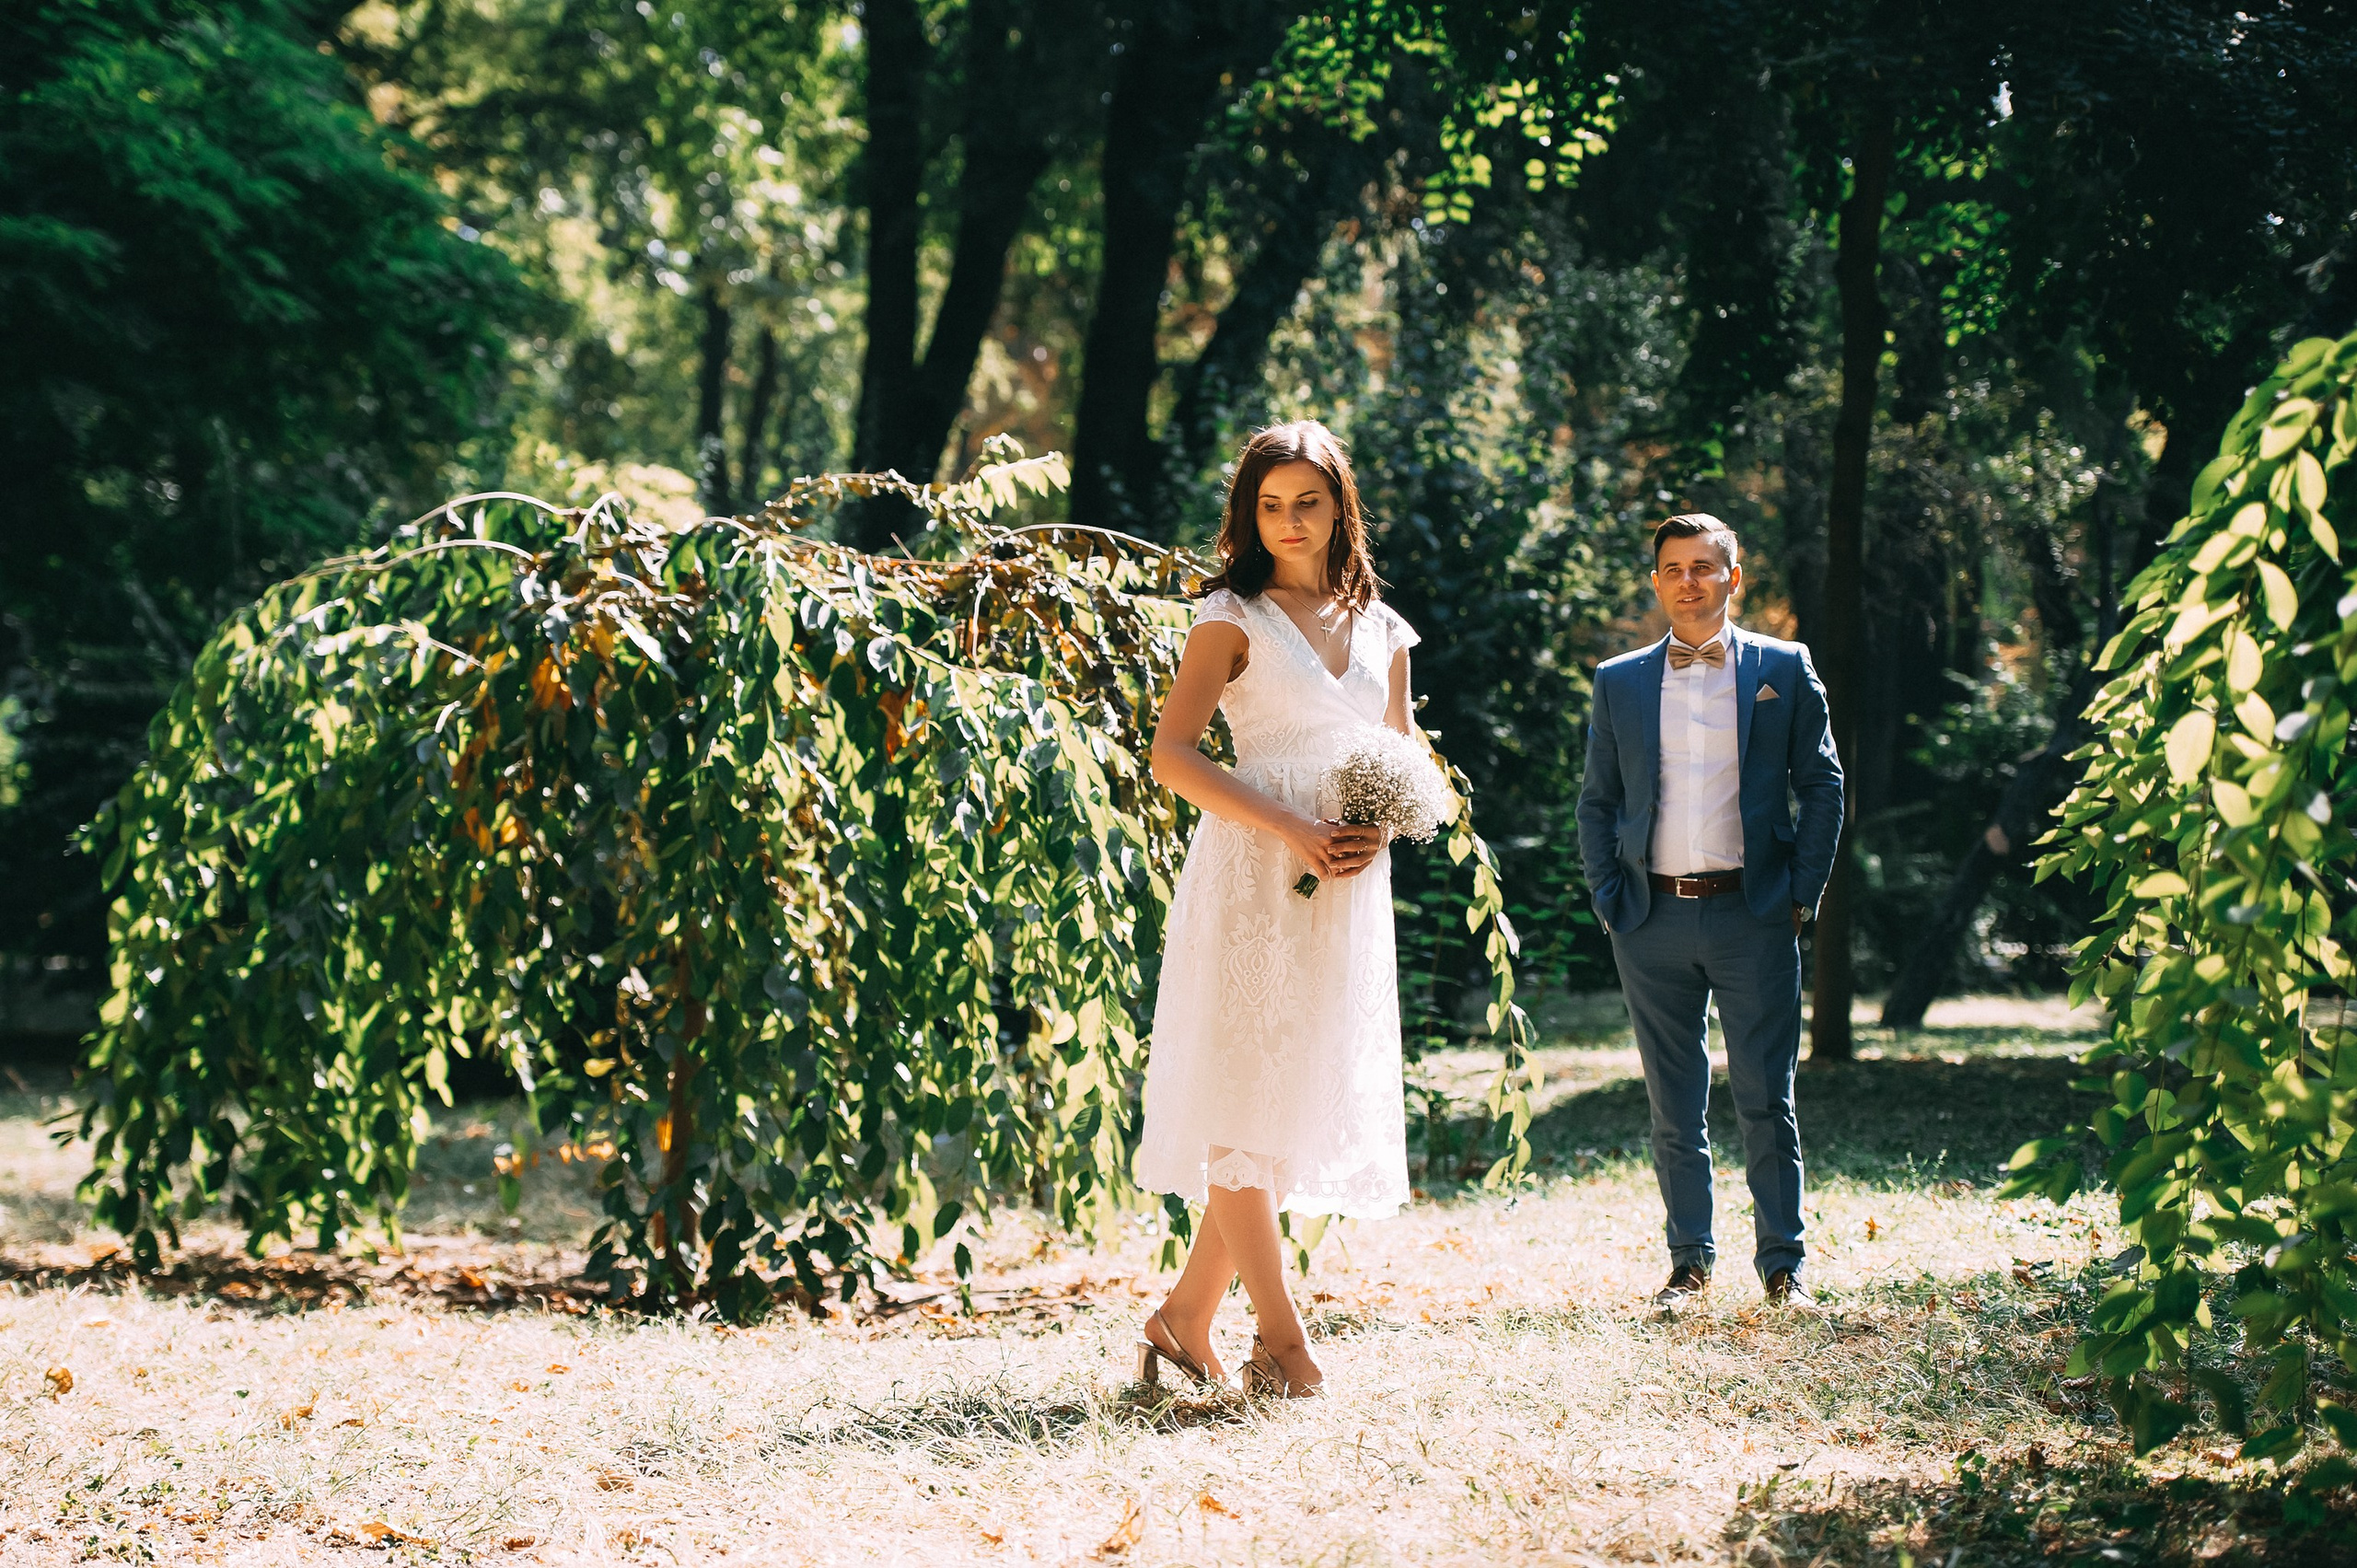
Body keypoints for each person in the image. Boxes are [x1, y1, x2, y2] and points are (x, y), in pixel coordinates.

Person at [1132, 420, 1423, 1398]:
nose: (1289, 522)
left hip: (1344, 887)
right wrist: (1294, 827)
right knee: (1243, 1102)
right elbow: (1173, 755)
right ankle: (1282, 1342)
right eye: (1269, 504)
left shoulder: (1384, 630)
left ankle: (1181, 1317)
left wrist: (1378, 826)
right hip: (1254, 872)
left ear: (1340, 505)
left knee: (1286, 1108)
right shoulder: (1231, 615)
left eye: (1307, 501)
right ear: (1248, 514)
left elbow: (1403, 753)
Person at [1575, 513, 1843, 1310]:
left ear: (1734, 576)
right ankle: (1688, 1264)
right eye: (1673, 568)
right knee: (1673, 1100)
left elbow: (1823, 785)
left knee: (1767, 1096)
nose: (1688, 580)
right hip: (1649, 918)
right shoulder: (1618, 679)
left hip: (1753, 913)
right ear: (1656, 581)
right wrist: (1608, 897)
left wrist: (1800, 893)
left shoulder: (1783, 668)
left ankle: (1783, 1266)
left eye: (1704, 566)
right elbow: (1598, 800)